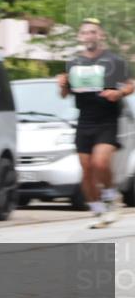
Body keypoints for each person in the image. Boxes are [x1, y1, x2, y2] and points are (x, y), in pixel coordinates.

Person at [57, 18, 134, 228]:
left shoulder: (113, 61)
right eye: (85, 33)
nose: (89, 36)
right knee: (87, 171)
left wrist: (118, 93)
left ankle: (111, 197)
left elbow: (130, 85)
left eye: (93, 32)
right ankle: (99, 212)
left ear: (101, 36)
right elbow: (65, 94)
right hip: (84, 120)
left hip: (107, 119)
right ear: (80, 37)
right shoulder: (74, 63)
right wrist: (62, 85)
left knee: (100, 163)